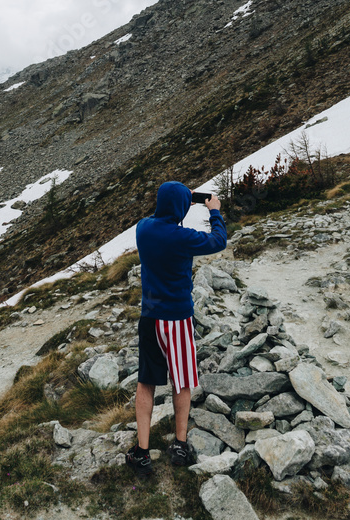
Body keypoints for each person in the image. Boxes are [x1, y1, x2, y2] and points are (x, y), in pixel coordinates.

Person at [125, 180, 227, 476]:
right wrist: (214, 211)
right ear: (181, 208)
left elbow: (161, 214)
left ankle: (142, 452)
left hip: (150, 317)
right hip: (178, 318)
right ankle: (180, 444)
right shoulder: (185, 238)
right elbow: (218, 240)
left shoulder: (143, 229)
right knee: (181, 381)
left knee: (146, 381)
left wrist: (182, 199)